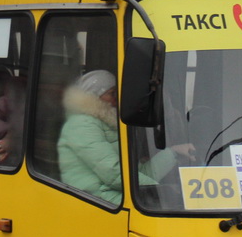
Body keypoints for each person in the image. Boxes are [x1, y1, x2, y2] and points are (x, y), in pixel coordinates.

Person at [58, 70, 189, 204]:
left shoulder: (108, 124)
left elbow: (139, 174)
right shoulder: (81, 124)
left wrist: (173, 153)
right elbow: (113, 172)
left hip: (109, 196)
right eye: (112, 93)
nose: (117, 99)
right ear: (94, 96)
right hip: (91, 201)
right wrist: (159, 191)